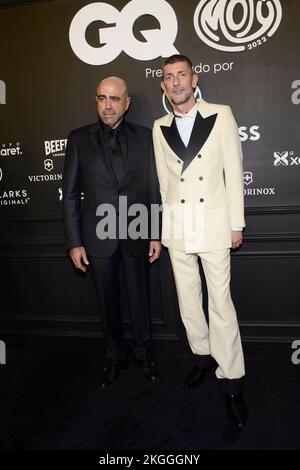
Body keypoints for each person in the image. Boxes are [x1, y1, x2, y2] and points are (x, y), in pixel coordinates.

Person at [153, 55, 247, 427]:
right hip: (178, 227)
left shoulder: (221, 114)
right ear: (162, 85)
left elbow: (234, 173)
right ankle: (202, 358)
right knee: (188, 302)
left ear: (194, 79)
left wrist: (235, 224)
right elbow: (163, 183)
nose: (175, 82)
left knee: (220, 303)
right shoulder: (159, 126)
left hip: (214, 224)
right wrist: (163, 232)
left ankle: (232, 382)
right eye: (168, 78)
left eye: (181, 75)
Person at [63, 76, 161, 390]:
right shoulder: (78, 139)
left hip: (136, 231)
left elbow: (153, 189)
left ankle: (144, 357)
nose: (107, 105)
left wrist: (155, 233)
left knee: (139, 300)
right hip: (97, 236)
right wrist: (74, 241)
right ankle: (115, 358)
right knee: (107, 303)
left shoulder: (147, 137)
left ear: (127, 102)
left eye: (114, 99)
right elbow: (70, 194)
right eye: (102, 98)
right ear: (96, 100)